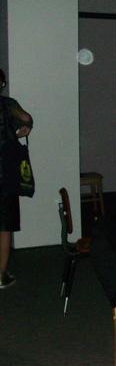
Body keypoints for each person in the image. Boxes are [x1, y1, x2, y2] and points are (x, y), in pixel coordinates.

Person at [0, 68, 33, 289]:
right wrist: (23, 130)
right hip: (6, 172)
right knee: (4, 226)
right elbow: (27, 119)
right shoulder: (8, 104)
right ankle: (0, 274)